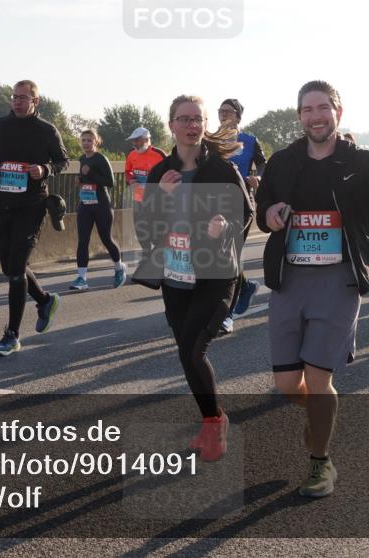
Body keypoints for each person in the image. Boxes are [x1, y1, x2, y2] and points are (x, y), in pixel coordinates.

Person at [255, 80, 369, 497]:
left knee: (320, 381)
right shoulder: (283, 162)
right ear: (299, 115)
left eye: (323, 107)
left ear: (339, 112)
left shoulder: (364, 161)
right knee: (287, 385)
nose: (315, 116)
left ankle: (320, 462)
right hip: (289, 279)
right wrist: (270, 214)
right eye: (307, 109)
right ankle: (322, 418)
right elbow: (262, 208)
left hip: (339, 281)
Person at [135, 95, 253, 462]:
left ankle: (215, 425)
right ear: (170, 125)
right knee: (186, 354)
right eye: (183, 119)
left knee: (192, 349)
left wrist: (226, 225)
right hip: (175, 275)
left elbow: (246, 216)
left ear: (204, 124)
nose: (191, 125)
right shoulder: (159, 173)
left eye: (197, 119)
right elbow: (144, 226)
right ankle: (210, 420)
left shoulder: (221, 169)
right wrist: (160, 198)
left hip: (216, 276)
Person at [0, 80, 69, 356]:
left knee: (17, 270)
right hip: (3, 202)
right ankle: (44, 300)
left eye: (24, 98)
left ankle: (12, 335)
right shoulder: (0, 125)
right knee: (9, 267)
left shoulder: (46, 130)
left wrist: (44, 169)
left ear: (35, 101)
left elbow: (62, 160)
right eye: (15, 97)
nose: (18, 101)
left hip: (32, 205)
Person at [217, 98, 267, 333]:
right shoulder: (212, 140)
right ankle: (245, 286)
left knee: (232, 255)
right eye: (221, 111)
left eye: (228, 112)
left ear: (238, 117)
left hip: (242, 203)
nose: (223, 115)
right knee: (220, 256)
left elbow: (264, 165)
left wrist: (259, 178)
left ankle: (226, 314)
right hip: (214, 204)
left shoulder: (249, 140)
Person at [70, 129, 126, 290]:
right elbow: (85, 178)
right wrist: (80, 179)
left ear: (96, 142)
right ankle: (82, 278)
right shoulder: (81, 159)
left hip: (101, 204)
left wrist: (91, 174)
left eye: (89, 140)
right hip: (86, 204)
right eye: (83, 140)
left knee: (106, 238)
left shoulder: (101, 159)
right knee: (82, 241)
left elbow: (110, 182)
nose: (86, 143)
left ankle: (119, 267)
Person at [125, 126, 166, 261]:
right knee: (140, 229)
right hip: (138, 199)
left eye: (137, 140)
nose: (134, 144)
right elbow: (128, 171)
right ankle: (146, 255)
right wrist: (131, 180)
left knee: (156, 230)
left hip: (156, 201)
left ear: (146, 139)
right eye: (133, 141)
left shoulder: (159, 155)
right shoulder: (132, 154)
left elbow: (170, 174)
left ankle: (158, 255)